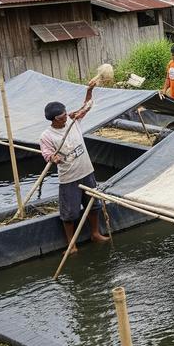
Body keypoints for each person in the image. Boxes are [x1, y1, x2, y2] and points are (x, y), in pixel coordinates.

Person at [40, 84, 109, 253]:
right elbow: (47, 154)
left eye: (65, 113)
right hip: (69, 178)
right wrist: (54, 158)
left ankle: (95, 233)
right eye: (63, 114)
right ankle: (72, 245)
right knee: (69, 213)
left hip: (86, 171)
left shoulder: (73, 120)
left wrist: (89, 90)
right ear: (56, 118)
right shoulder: (46, 136)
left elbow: (87, 106)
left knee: (94, 205)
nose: (66, 115)